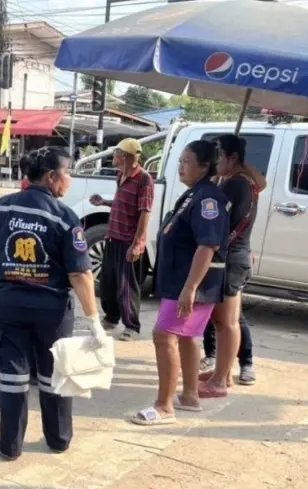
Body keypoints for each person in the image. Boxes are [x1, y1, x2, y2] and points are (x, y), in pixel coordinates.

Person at [0, 147, 107, 459]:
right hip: (53, 311)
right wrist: (94, 322)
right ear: (51, 177)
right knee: (55, 377)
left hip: (10, 307)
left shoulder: (2, 207)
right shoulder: (65, 218)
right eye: (68, 173)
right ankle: (58, 440)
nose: (70, 180)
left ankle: (10, 446)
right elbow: (81, 274)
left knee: (13, 378)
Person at [130, 140, 229, 426]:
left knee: (164, 336)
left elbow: (207, 246)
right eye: (180, 161)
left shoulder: (208, 198)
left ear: (204, 166)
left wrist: (190, 288)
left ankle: (164, 406)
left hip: (192, 283)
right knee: (185, 336)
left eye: (187, 161)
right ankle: (189, 396)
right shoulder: (193, 194)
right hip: (180, 281)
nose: (181, 166)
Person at [199, 134, 265, 394]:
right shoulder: (242, 182)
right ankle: (221, 373)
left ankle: (222, 378)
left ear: (233, 157)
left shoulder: (236, 184)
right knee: (225, 320)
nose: (215, 162)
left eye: (219, 156)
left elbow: (218, 223)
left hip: (230, 258)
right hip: (235, 256)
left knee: (227, 322)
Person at [90, 138, 154, 341]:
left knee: (127, 286)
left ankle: (131, 325)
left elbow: (145, 213)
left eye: (117, 154)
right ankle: (111, 317)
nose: (114, 157)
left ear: (126, 157)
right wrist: (104, 202)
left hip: (128, 240)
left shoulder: (144, 179)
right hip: (113, 237)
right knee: (108, 282)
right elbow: (121, 203)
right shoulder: (121, 176)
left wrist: (137, 244)